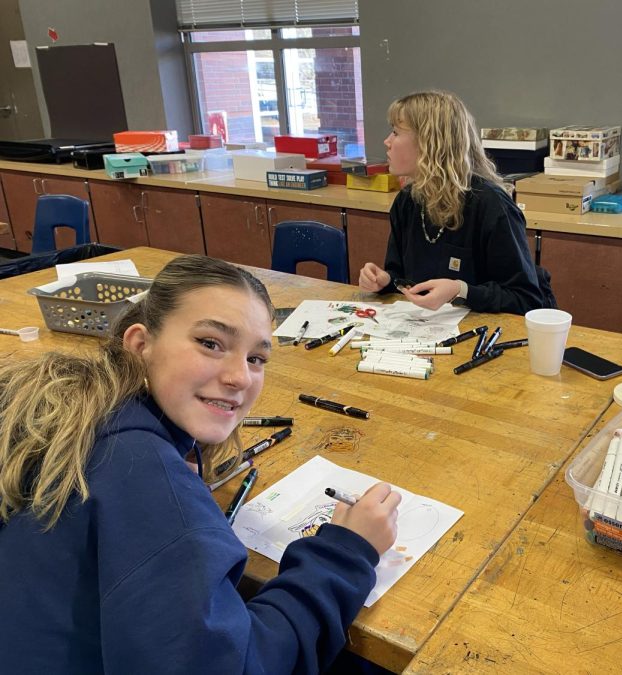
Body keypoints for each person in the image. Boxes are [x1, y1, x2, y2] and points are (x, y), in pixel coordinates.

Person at [0, 255, 401, 674]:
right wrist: (349, 550)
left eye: (256, 358)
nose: (240, 378)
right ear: (140, 345)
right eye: (210, 343)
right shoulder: (148, 484)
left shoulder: (75, 420)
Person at [358, 90, 553, 315]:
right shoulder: (406, 201)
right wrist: (384, 281)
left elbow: (526, 299)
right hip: (430, 330)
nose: (387, 141)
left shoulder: (491, 205)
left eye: (395, 132)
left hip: (486, 334)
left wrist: (460, 290)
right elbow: (400, 277)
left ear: (430, 144)